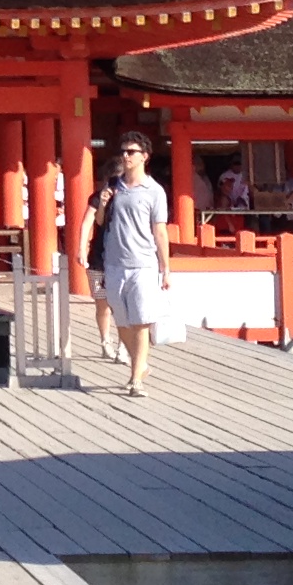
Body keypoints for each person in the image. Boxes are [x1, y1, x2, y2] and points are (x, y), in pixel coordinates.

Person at [99, 132, 170, 395]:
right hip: (114, 262)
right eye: (123, 151)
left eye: (131, 152)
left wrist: (165, 268)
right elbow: (100, 222)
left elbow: (159, 231)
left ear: (144, 157)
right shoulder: (114, 186)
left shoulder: (154, 191)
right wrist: (103, 204)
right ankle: (141, 366)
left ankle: (135, 378)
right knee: (122, 320)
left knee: (141, 321)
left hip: (143, 263)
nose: (126, 156)